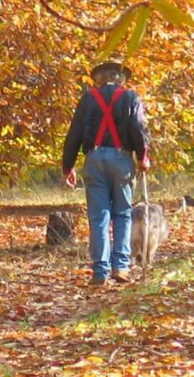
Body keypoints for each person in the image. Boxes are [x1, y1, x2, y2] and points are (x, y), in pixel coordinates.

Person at [62, 57, 151, 286]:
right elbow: (138, 128)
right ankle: (120, 267)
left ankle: (100, 272)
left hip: (94, 158)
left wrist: (68, 165)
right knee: (122, 214)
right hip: (121, 159)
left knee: (98, 217)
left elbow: (74, 133)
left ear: (99, 78)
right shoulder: (131, 97)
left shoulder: (88, 98)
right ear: (120, 78)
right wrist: (143, 156)